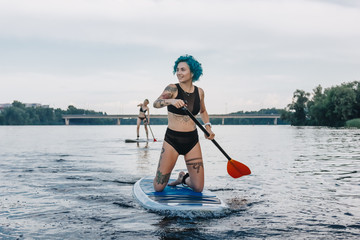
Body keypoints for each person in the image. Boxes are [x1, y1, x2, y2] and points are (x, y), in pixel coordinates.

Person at [152, 55, 215, 193]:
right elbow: (156, 103)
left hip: (192, 140)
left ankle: (183, 178)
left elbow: (203, 111)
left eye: (183, 69)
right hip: (172, 140)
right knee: (158, 187)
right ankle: (173, 177)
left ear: (192, 73)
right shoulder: (172, 89)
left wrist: (208, 128)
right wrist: (171, 101)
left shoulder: (200, 92)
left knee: (198, 188)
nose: (179, 73)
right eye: (177, 69)